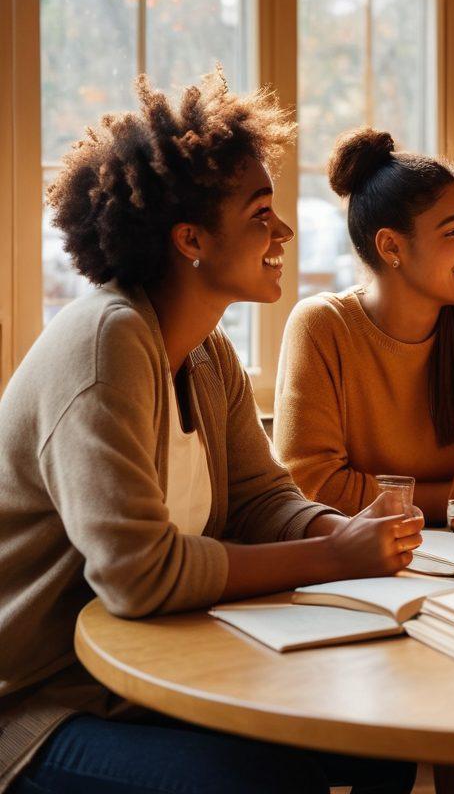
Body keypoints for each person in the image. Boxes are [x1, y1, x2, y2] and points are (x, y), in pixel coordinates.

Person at [0, 73, 422, 794]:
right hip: (42, 707)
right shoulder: (107, 345)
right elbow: (139, 576)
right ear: (190, 238)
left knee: (379, 739)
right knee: (266, 783)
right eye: (262, 212)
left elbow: (261, 500)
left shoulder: (203, 347)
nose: (283, 230)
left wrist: (348, 529)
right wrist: (332, 556)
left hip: (148, 678)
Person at [274, 127, 454, 537]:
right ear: (391, 247)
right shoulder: (323, 326)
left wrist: (382, 494)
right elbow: (313, 488)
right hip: (360, 564)